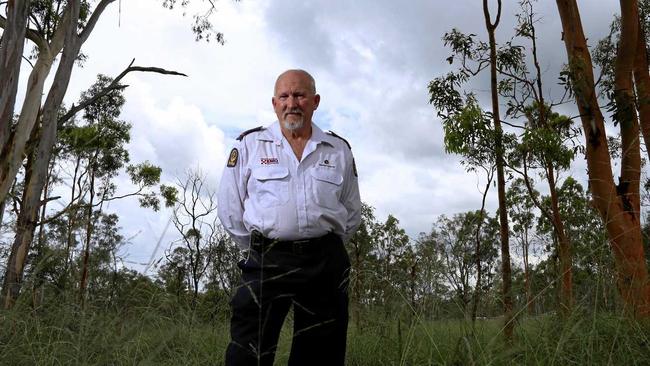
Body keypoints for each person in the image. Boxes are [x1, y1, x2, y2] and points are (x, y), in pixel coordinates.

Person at [217, 69, 362, 366]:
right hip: (266, 259)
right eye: (284, 96)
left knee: (321, 354)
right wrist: (258, 245)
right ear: (274, 103)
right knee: (248, 352)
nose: (291, 103)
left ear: (315, 101)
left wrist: (321, 243)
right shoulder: (249, 145)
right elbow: (230, 208)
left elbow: (351, 210)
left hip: (324, 263)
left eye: (299, 95)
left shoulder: (338, 150)